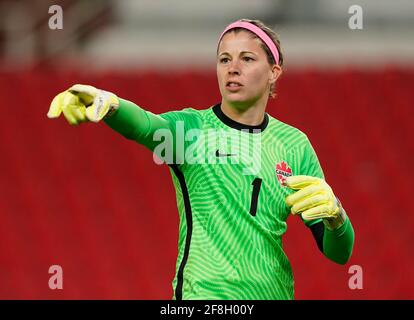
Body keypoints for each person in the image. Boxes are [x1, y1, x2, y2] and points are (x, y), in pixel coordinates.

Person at [47, 19, 355, 300]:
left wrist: (337, 218)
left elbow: (339, 254)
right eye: (224, 59)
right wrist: (111, 103)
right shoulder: (192, 131)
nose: (233, 68)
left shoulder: (295, 144)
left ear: (274, 72)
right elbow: (145, 125)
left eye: (247, 58)